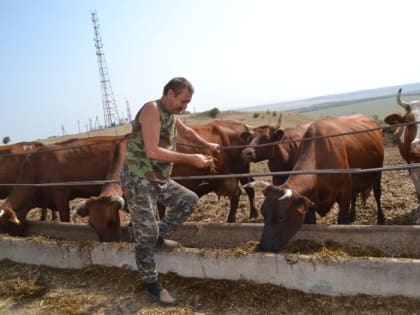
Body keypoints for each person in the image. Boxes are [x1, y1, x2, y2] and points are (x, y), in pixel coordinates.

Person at [120, 77, 220, 305]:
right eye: (183, 101)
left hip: (158, 178)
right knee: (145, 233)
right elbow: (153, 151)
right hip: (139, 178)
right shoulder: (151, 110)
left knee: (189, 200)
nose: (184, 106)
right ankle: (151, 284)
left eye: (187, 102)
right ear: (169, 94)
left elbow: (187, 133)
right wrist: (191, 159)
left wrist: (207, 145)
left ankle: (158, 236)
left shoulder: (172, 114)